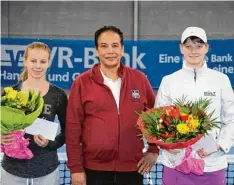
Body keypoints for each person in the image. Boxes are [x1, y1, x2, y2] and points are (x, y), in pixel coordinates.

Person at [66, 25, 159, 185]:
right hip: (94, 170)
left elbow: (155, 119)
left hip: (132, 169)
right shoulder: (81, 82)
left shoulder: (140, 79)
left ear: (122, 49)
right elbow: (72, 128)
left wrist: (153, 150)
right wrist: (75, 168)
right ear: (96, 51)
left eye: (115, 45)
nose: (110, 51)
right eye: (104, 46)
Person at [155, 26, 234, 185]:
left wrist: (218, 145)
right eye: (188, 46)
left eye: (198, 46)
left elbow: (231, 118)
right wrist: (167, 145)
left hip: (212, 164)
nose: (193, 51)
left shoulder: (221, 80)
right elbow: (159, 121)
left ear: (206, 48)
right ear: (181, 48)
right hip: (175, 164)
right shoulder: (169, 81)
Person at [1, 42, 68, 185]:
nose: (38, 66)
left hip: (46, 168)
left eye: (43, 61)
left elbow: (68, 131)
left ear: (48, 63)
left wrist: (50, 144)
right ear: (25, 61)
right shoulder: (10, 93)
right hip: (12, 168)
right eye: (33, 61)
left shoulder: (58, 95)